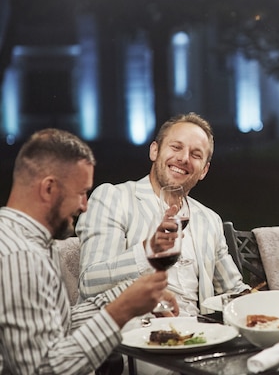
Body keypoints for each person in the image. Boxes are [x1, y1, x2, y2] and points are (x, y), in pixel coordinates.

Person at [0, 128, 178, 374]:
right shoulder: (21, 256)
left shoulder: (32, 242)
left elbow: (57, 327)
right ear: (48, 188)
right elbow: (42, 370)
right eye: (81, 193)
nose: (85, 206)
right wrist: (121, 311)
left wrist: (130, 295)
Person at [76, 112, 249, 316]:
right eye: (176, 147)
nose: (184, 158)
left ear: (204, 170)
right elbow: (90, 283)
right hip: (133, 334)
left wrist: (264, 304)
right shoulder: (114, 198)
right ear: (155, 151)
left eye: (196, 154)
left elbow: (233, 290)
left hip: (199, 334)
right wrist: (147, 253)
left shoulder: (209, 219)